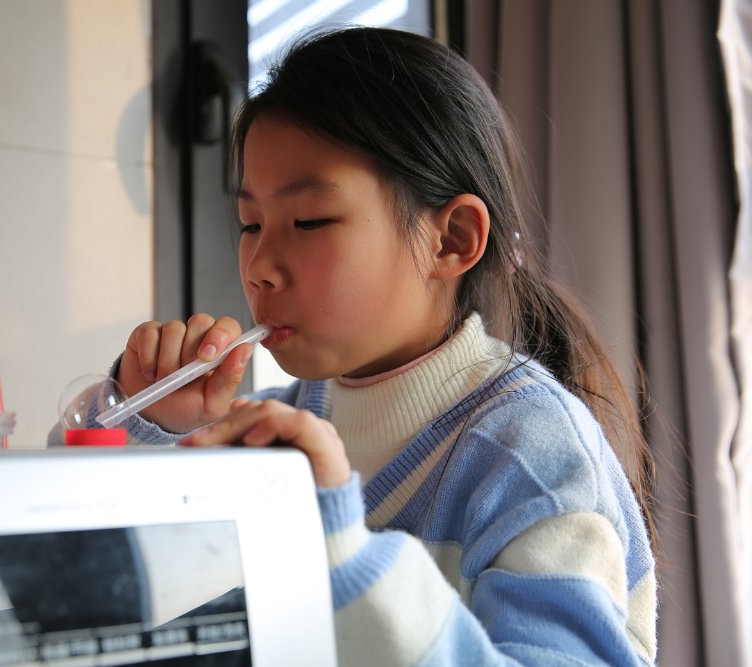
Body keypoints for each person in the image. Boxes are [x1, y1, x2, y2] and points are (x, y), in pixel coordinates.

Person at [71, 26, 657, 666]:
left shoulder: (528, 454)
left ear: (451, 239)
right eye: (250, 223)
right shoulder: (290, 421)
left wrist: (345, 553)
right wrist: (150, 426)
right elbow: (111, 591)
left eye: (309, 221)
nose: (260, 267)